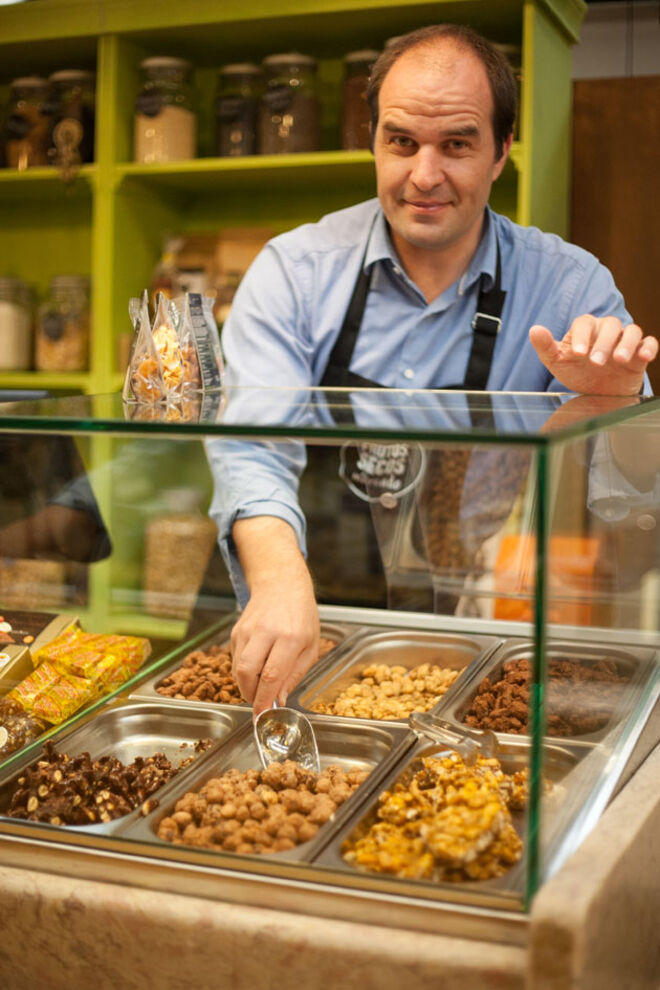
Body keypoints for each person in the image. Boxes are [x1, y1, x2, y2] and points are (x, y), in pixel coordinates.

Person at [213, 24, 658, 714]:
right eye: (401, 142)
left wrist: (620, 402)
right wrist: (275, 581)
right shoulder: (293, 272)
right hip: (291, 612)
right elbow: (251, 446)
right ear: (373, 141)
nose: (424, 175)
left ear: (502, 151)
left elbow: (631, 496)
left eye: (456, 143)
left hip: (467, 624)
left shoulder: (569, 288)